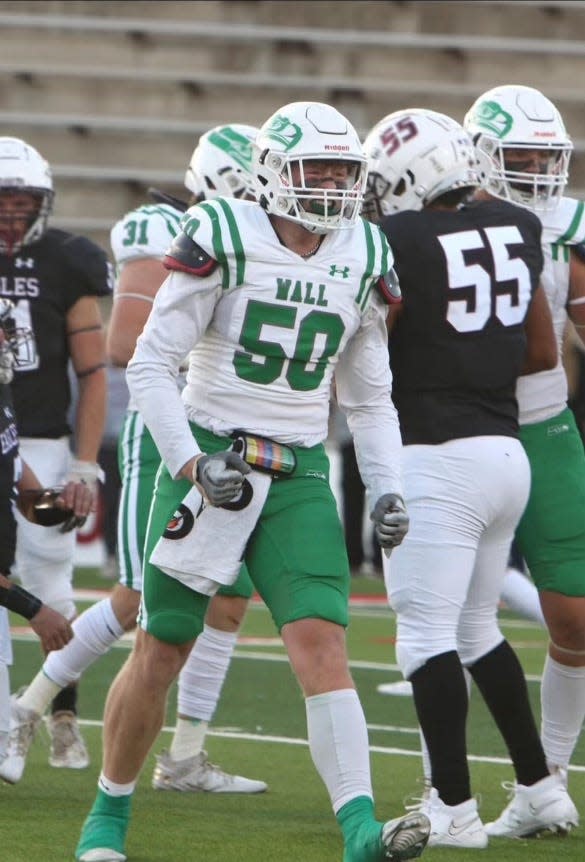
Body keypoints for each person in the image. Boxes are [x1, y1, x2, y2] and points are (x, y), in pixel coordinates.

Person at [74, 101, 431, 862]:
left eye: (344, 171)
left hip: (298, 465)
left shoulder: (365, 249)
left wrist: (390, 487)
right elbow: (149, 363)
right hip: (212, 452)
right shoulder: (224, 232)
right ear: (273, 174)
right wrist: (189, 462)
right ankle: (106, 817)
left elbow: (368, 396)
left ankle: (360, 830)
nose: (333, 186)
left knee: (320, 641)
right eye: (318, 169)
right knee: (163, 644)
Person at [0, 126, 267, 794]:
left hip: (240, 439)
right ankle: (28, 710)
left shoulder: (282, 245)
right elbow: (124, 347)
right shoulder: (175, 232)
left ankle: (184, 755)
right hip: (172, 434)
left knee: (227, 600)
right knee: (139, 597)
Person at [362, 107, 577, 848]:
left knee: (423, 639)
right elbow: (541, 354)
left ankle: (453, 811)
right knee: (475, 628)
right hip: (505, 454)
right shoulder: (518, 226)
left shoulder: (394, 239)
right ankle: (541, 786)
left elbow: (368, 360)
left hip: (434, 456)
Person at [464, 83, 585, 835]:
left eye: (548, 156)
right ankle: (443, 787)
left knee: (572, 614)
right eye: (522, 156)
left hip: (541, 424)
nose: (538, 171)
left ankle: (548, 778)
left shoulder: (566, 223)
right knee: (445, 614)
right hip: (458, 427)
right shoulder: (442, 217)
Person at [0, 137, 111, 776]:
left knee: (50, 578)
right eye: (3, 202)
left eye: (24, 203)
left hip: (34, 435)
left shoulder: (67, 260)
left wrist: (84, 465)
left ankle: (54, 713)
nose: (14, 215)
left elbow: (92, 370)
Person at [0, 298, 92, 763]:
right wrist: (34, 609)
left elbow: (29, 498)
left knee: (2, 741)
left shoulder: (3, 401)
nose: (8, 342)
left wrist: (65, 503)